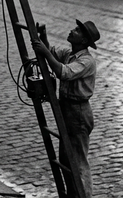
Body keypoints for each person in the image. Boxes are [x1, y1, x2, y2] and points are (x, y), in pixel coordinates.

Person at [32, 20, 100, 198]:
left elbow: (63, 72)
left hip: (78, 112)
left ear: (84, 41)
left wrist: (45, 52)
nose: (72, 30)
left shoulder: (87, 61)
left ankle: (84, 196)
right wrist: (44, 37)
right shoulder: (70, 53)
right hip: (67, 109)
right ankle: (72, 195)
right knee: (66, 159)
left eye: (77, 31)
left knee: (78, 161)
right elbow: (53, 53)